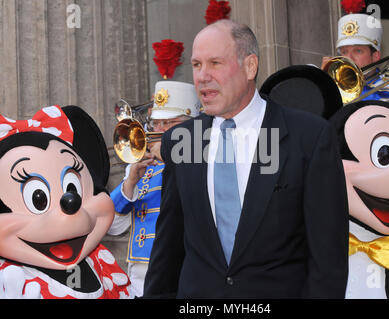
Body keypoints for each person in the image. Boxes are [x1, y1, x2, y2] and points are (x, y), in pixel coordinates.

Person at [143, 19, 349, 299]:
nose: (202, 76)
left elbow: (328, 259)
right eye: (196, 65)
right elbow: (168, 246)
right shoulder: (182, 140)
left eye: (215, 63)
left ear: (250, 66)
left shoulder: (309, 137)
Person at [107, 81, 201, 297]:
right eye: (155, 122)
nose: (158, 130)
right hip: (140, 276)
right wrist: (130, 183)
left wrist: (172, 158)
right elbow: (112, 227)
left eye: (168, 122)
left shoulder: (199, 162)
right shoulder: (141, 167)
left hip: (182, 271)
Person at [321, 13, 389, 111]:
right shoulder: (334, 90)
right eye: (344, 52)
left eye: (358, 51)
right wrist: (322, 83)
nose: (349, 58)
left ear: (375, 56)